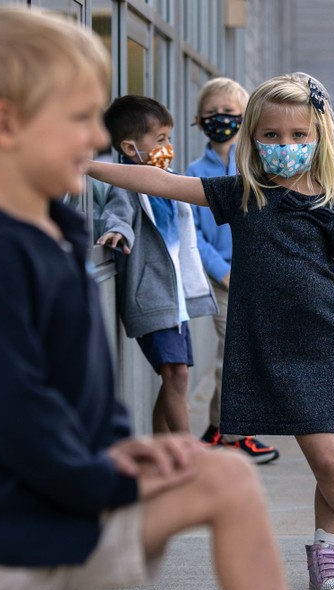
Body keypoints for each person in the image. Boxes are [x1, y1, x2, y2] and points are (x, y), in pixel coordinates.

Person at [0, 8, 291, 590]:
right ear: (6, 124)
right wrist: (101, 473)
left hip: (59, 498)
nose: (96, 139)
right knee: (226, 481)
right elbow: (13, 412)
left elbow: (80, 389)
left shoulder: (56, 235)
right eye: (80, 118)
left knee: (228, 479)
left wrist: (118, 444)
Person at [87, 72, 334, 590]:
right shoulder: (242, 195)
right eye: (272, 136)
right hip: (271, 349)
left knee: (333, 460)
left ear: (319, 137)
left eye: (299, 135)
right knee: (330, 459)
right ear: (253, 138)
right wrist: (84, 165)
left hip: (329, 348)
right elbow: (161, 182)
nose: (286, 145)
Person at [96, 94, 217, 435]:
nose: (168, 147)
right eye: (160, 139)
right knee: (175, 374)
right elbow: (116, 213)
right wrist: (117, 232)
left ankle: (164, 450)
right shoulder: (128, 184)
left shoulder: (167, 180)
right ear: (130, 148)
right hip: (153, 295)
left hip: (175, 298)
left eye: (169, 138)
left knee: (176, 377)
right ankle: (185, 454)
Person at [186, 77, 280, 464]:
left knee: (246, 354)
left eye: (229, 112)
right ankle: (233, 435)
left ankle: (217, 428)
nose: (220, 118)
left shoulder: (255, 166)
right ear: (198, 120)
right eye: (211, 113)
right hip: (222, 280)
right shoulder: (195, 171)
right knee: (234, 356)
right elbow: (193, 232)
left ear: (245, 118)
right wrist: (221, 271)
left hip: (256, 274)